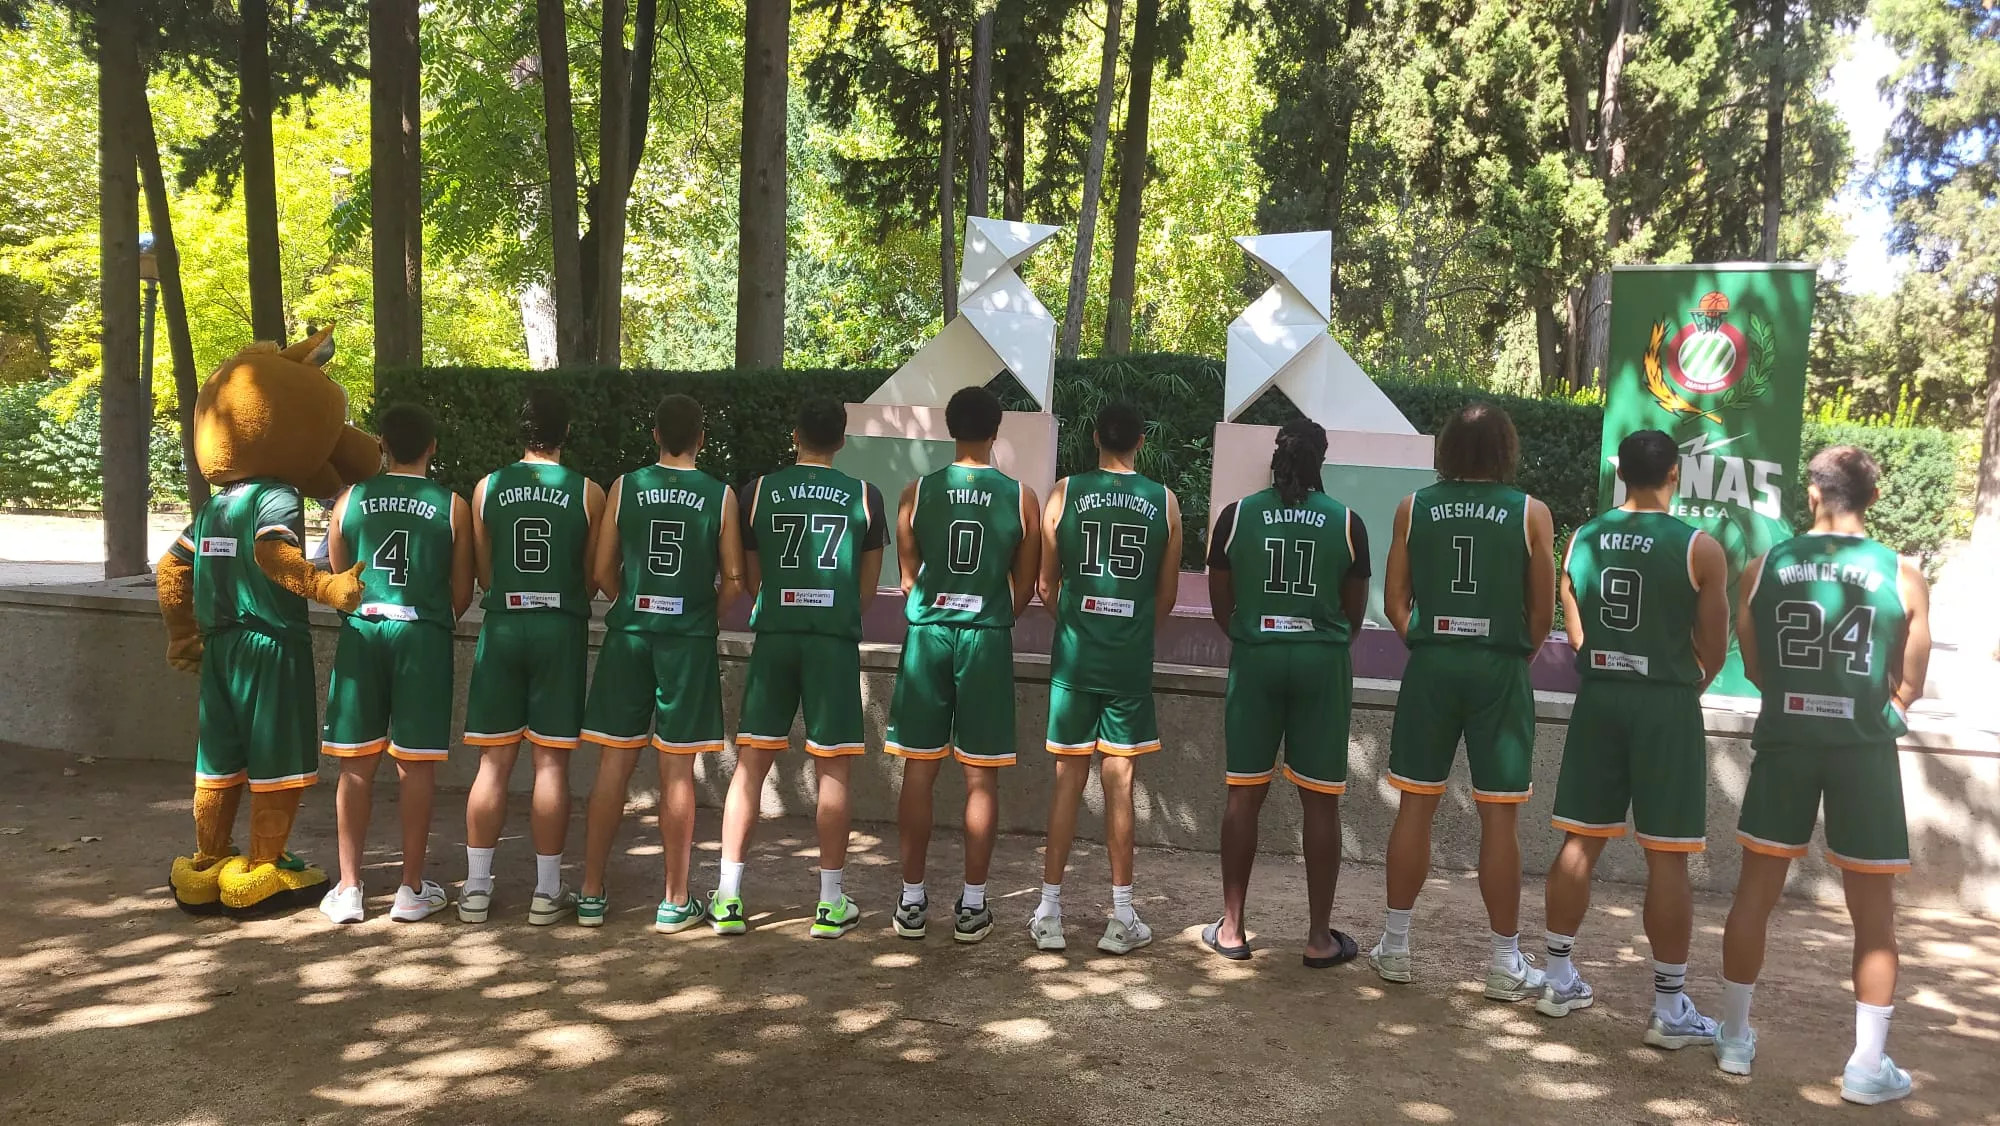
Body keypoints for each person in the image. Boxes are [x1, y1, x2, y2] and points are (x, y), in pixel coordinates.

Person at [1714, 446, 1931, 1105]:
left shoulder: (1764, 566)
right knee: (1873, 910)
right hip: (1863, 747)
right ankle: (1868, 1065)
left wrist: (1797, 701)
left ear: (1812, 494)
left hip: (1787, 737)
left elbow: (1753, 662)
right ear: (1872, 496)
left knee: (1755, 892)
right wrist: (1875, 711)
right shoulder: (1903, 571)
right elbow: (1911, 684)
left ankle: (1733, 1037)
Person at [1534, 429, 1728, 1047]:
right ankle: (1669, 1011)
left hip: (1601, 699)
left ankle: (1557, 977)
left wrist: (1613, 667)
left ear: (1622, 475)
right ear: (1674, 473)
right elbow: (1714, 651)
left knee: (1579, 840)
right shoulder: (1701, 548)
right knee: (1666, 856)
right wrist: (1675, 683)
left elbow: (1577, 634)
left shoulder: (1584, 538)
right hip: (1666, 704)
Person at [1368, 402, 1556, 1000]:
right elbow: (1542, 611)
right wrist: (1508, 653)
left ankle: (1395, 946)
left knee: (1414, 808)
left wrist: (1430, 642)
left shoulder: (1413, 507)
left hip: (1432, 666)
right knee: (1500, 815)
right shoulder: (1532, 513)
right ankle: (1505, 961)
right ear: (1505, 449)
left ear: (1446, 447)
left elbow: (1395, 598)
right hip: (1499, 669)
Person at [711, 397, 886, 939]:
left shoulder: (757, 491)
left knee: (751, 764)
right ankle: (830, 904)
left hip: (776, 638)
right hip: (831, 641)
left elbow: (752, 575)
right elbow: (865, 588)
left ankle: (728, 897)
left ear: (794, 434)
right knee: (833, 769)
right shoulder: (865, 495)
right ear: (842, 438)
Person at [575, 394, 744, 931]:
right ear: (701, 438)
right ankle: (674, 899)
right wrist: (702, 616)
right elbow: (736, 579)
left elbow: (602, 571)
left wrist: (634, 599)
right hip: (686, 641)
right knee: (677, 770)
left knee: (612, 766)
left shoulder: (625, 486)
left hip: (629, 635)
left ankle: (590, 893)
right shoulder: (719, 496)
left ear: (654, 435)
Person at [1202, 419, 1368, 966]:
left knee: (1243, 794)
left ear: (1275, 459)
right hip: (1321, 664)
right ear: (1323, 460)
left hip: (1256, 659)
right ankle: (1319, 939)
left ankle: (1231, 930)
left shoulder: (1236, 516)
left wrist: (1257, 636)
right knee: (1320, 799)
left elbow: (1221, 605)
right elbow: (1353, 614)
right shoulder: (1347, 521)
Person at [885, 386, 1041, 943]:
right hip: (985, 637)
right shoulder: (1021, 497)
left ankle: (910, 900)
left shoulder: (916, 492)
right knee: (981, 776)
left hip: (928, 635)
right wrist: (994, 612)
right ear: (996, 429)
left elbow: (908, 577)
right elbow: (1026, 585)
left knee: (919, 769)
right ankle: (973, 904)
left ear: (950, 428)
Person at [1031, 400, 1183, 955]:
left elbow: (1046, 587)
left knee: (1066, 780)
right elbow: (1165, 597)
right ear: (1141, 440)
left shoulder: (1063, 493)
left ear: (1095, 437)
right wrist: (1129, 627)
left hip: (1075, 658)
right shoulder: (1165, 503)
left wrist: (1077, 622)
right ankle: (1122, 917)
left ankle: (1048, 911)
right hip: (1128, 662)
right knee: (1121, 782)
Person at [316, 405, 474, 924]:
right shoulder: (451, 505)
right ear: (432, 446)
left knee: (355, 763)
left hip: (363, 631)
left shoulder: (349, 499)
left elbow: (340, 576)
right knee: (416, 763)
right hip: (422, 635)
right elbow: (461, 591)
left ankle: (349, 888)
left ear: (381, 444)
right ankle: (410, 888)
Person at [459, 388, 606, 926]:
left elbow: (482, 570)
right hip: (559, 627)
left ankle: (475, 890)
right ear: (565, 433)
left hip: (502, 626)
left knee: (493, 763)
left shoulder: (485, 488)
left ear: (520, 432)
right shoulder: (589, 493)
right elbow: (593, 575)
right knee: (551, 763)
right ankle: (546, 893)